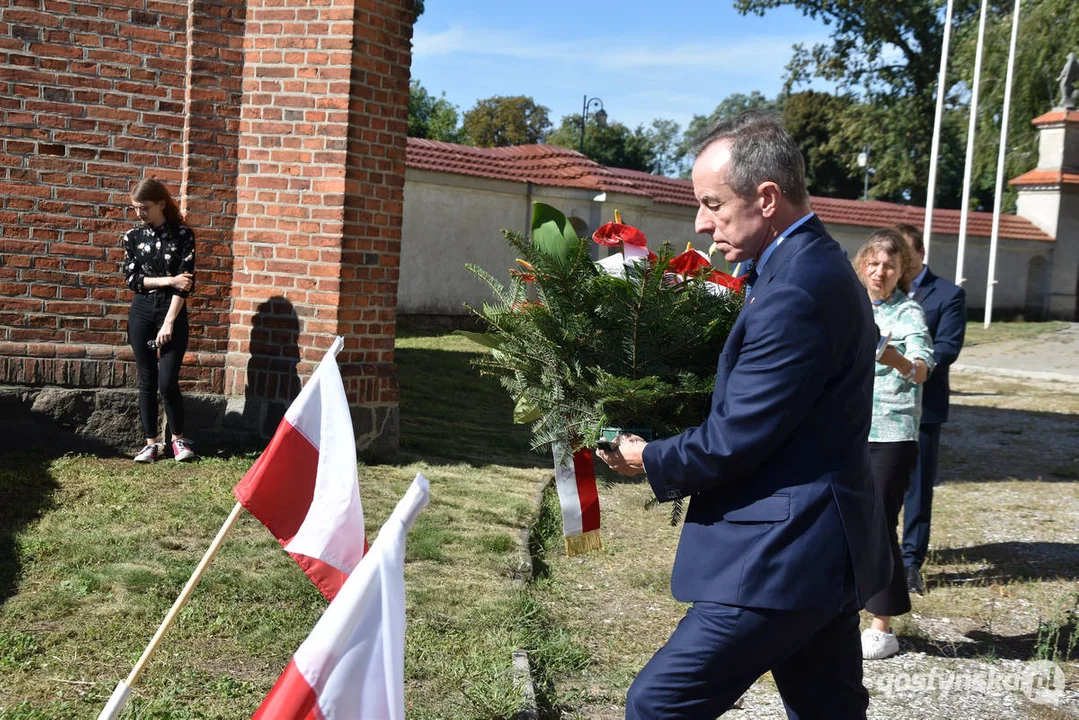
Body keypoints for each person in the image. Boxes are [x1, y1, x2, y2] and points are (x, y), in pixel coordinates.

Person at [597, 112, 891, 719]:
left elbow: (736, 439)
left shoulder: (796, 291)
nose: (701, 223)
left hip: (785, 553)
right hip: (818, 546)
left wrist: (646, 456)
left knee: (659, 705)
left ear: (766, 198)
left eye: (712, 204)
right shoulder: (801, 267)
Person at [853, 229, 935, 660]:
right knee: (841, 519)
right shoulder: (848, 307)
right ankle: (840, 610)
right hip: (847, 429)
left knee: (879, 523)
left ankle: (881, 626)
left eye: (889, 265)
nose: (880, 271)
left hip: (892, 434)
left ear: (902, 270)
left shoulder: (909, 313)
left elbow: (923, 369)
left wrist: (898, 359)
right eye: (873, 262)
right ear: (862, 265)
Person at [894, 224, 966, 596]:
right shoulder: (880, 291)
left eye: (904, 254)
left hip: (924, 404)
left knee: (917, 488)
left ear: (920, 254)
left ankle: (910, 564)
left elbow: (949, 346)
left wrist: (904, 362)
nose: (897, 262)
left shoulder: (948, 294)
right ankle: (879, 554)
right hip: (879, 407)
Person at [123, 178, 197, 463]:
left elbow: (185, 284)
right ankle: (151, 443)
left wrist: (168, 322)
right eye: (135, 208)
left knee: (167, 381)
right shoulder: (132, 237)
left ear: (161, 204)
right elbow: (133, 280)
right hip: (141, 310)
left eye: (144, 207)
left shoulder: (182, 235)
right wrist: (169, 279)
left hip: (172, 309)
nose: (139, 213)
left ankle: (178, 440)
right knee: (146, 379)